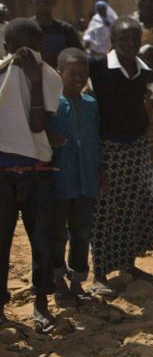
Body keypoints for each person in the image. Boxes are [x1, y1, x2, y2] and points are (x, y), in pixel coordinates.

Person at [88, 18, 153, 296]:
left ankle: (128, 265)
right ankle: (99, 273)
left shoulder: (144, 71)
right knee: (106, 211)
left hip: (137, 147)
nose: (130, 44)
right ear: (112, 42)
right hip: (109, 149)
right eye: (124, 39)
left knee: (136, 205)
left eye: (134, 39)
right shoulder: (98, 70)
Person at [0, 19, 63, 330]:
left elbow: (38, 125)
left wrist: (35, 80)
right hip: (6, 173)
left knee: (42, 241)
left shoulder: (49, 78)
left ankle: (41, 302)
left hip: (37, 174)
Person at [47, 48, 102, 308]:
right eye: (73, 73)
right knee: (58, 234)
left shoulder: (91, 104)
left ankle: (77, 280)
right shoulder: (52, 105)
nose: (78, 77)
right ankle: (58, 281)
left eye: (83, 73)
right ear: (60, 74)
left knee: (81, 232)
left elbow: (96, 141)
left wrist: (100, 172)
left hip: (87, 181)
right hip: (60, 180)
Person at [24, 0, 83, 68]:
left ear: (54, 1)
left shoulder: (66, 30)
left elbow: (78, 56)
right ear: (31, 0)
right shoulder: (24, 28)